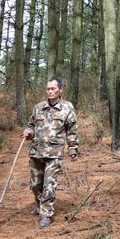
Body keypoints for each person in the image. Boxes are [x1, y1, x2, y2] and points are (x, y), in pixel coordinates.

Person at [23, 78, 78, 228]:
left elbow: (72, 131)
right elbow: (31, 126)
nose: (50, 91)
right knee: (35, 184)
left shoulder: (67, 108)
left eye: (53, 88)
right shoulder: (38, 107)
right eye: (48, 89)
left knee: (49, 184)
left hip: (54, 153)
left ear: (60, 90)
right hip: (36, 152)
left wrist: (72, 148)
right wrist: (29, 133)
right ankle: (40, 204)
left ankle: (46, 214)